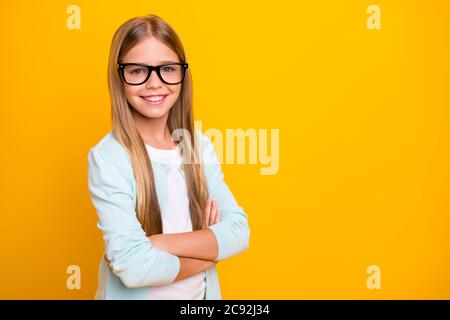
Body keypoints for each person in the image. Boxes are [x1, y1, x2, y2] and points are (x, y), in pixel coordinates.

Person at [87, 14, 250, 300]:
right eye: (138, 71)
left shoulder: (197, 147)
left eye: (167, 69)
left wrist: (157, 243)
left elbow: (238, 232)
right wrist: (207, 251)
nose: (154, 83)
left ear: (182, 74)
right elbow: (134, 266)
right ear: (119, 76)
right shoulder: (109, 158)